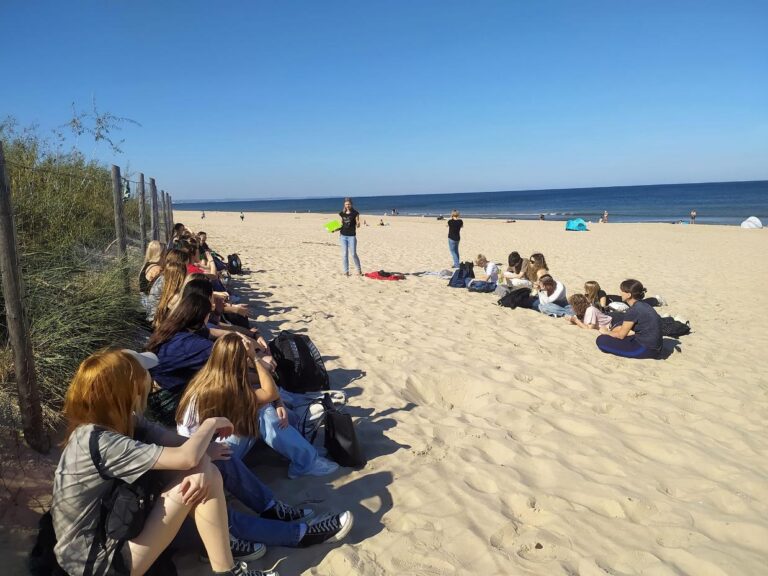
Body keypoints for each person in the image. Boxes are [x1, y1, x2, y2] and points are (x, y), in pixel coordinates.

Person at [51, 349, 277, 576]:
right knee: (203, 474)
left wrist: (202, 457)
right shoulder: (100, 441)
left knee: (202, 471)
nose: (148, 382)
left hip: (115, 530)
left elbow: (179, 444)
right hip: (97, 564)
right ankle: (229, 561)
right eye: (142, 376)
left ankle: (227, 555)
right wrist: (210, 424)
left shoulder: (122, 421)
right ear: (126, 390)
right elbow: (186, 457)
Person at [176, 333, 353, 546]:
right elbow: (268, 390)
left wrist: (277, 401)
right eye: (247, 359)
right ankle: (295, 505)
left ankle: (274, 504)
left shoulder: (213, 376)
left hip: (201, 447)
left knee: (266, 412)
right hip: (197, 455)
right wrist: (256, 359)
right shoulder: (222, 390)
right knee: (261, 416)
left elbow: (269, 390)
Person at [596, 279, 664, 359]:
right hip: (656, 345)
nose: (620, 293)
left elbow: (621, 336)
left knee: (601, 340)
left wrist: (606, 332)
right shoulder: (645, 305)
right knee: (618, 327)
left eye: (622, 291)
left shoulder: (633, 310)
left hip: (647, 349)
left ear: (628, 295)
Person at [139, 241, 165, 317]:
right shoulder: (156, 269)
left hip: (144, 302)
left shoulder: (146, 265)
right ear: (160, 254)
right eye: (165, 253)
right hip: (151, 306)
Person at [337, 197, 361, 276]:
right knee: (344, 254)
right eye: (346, 204)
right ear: (344, 204)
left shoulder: (355, 213)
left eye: (349, 204)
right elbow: (341, 225)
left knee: (353, 254)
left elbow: (357, 222)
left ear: (351, 204)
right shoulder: (342, 213)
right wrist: (334, 229)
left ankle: (359, 270)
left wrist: (358, 224)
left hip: (352, 237)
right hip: (343, 236)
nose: (348, 205)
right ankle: (346, 271)